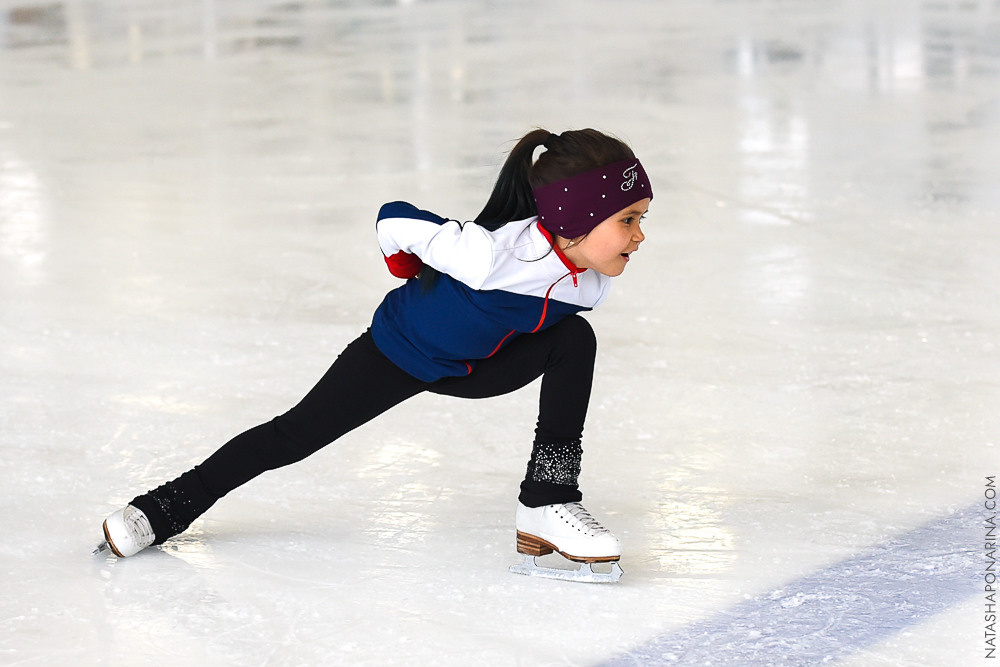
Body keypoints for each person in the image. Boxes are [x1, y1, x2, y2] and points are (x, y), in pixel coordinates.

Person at [95, 128, 652, 583]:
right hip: (398, 353)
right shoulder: (488, 255)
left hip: (477, 367)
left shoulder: (591, 282)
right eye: (627, 220)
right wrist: (407, 273)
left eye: (641, 219)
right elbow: (396, 217)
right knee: (291, 437)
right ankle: (160, 509)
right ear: (575, 220)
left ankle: (548, 498)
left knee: (574, 339)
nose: (639, 236)